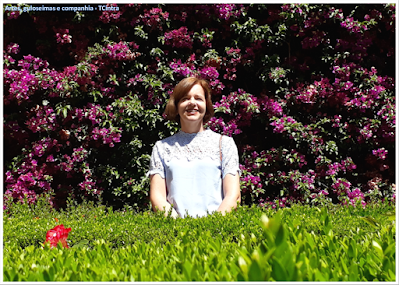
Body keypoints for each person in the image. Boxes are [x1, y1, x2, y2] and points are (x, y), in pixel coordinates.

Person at [147, 76, 241, 218]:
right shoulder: (162, 148)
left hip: (217, 234)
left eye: (198, 98)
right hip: (175, 233)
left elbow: (233, 196)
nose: (192, 103)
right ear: (177, 106)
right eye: (185, 98)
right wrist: (179, 228)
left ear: (206, 105)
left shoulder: (225, 144)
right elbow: (157, 197)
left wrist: (211, 227)